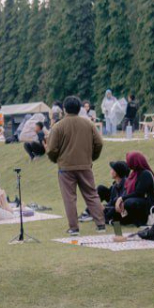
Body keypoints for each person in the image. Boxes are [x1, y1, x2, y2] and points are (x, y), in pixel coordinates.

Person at [46, 96, 106, 236]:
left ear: (64, 109)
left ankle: (74, 228)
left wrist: (56, 160)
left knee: (69, 198)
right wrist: (92, 157)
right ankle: (101, 224)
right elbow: (99, 143)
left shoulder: (58, 126)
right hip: (85, 165)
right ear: (80, 108)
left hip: (66, 168)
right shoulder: (89, 124)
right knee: (92, 194)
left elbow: (51, 149)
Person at [112, 152, 154, 227]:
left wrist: (122, 198)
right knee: (115, 210)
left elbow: (139, 193)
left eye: (129, 161)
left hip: (150, 205)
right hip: (139, 203)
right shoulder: (134, 174)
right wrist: (120, 201)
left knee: (128, 202)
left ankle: (140, 222)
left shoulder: (146, 174)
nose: (128, 164)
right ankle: (118, 233)